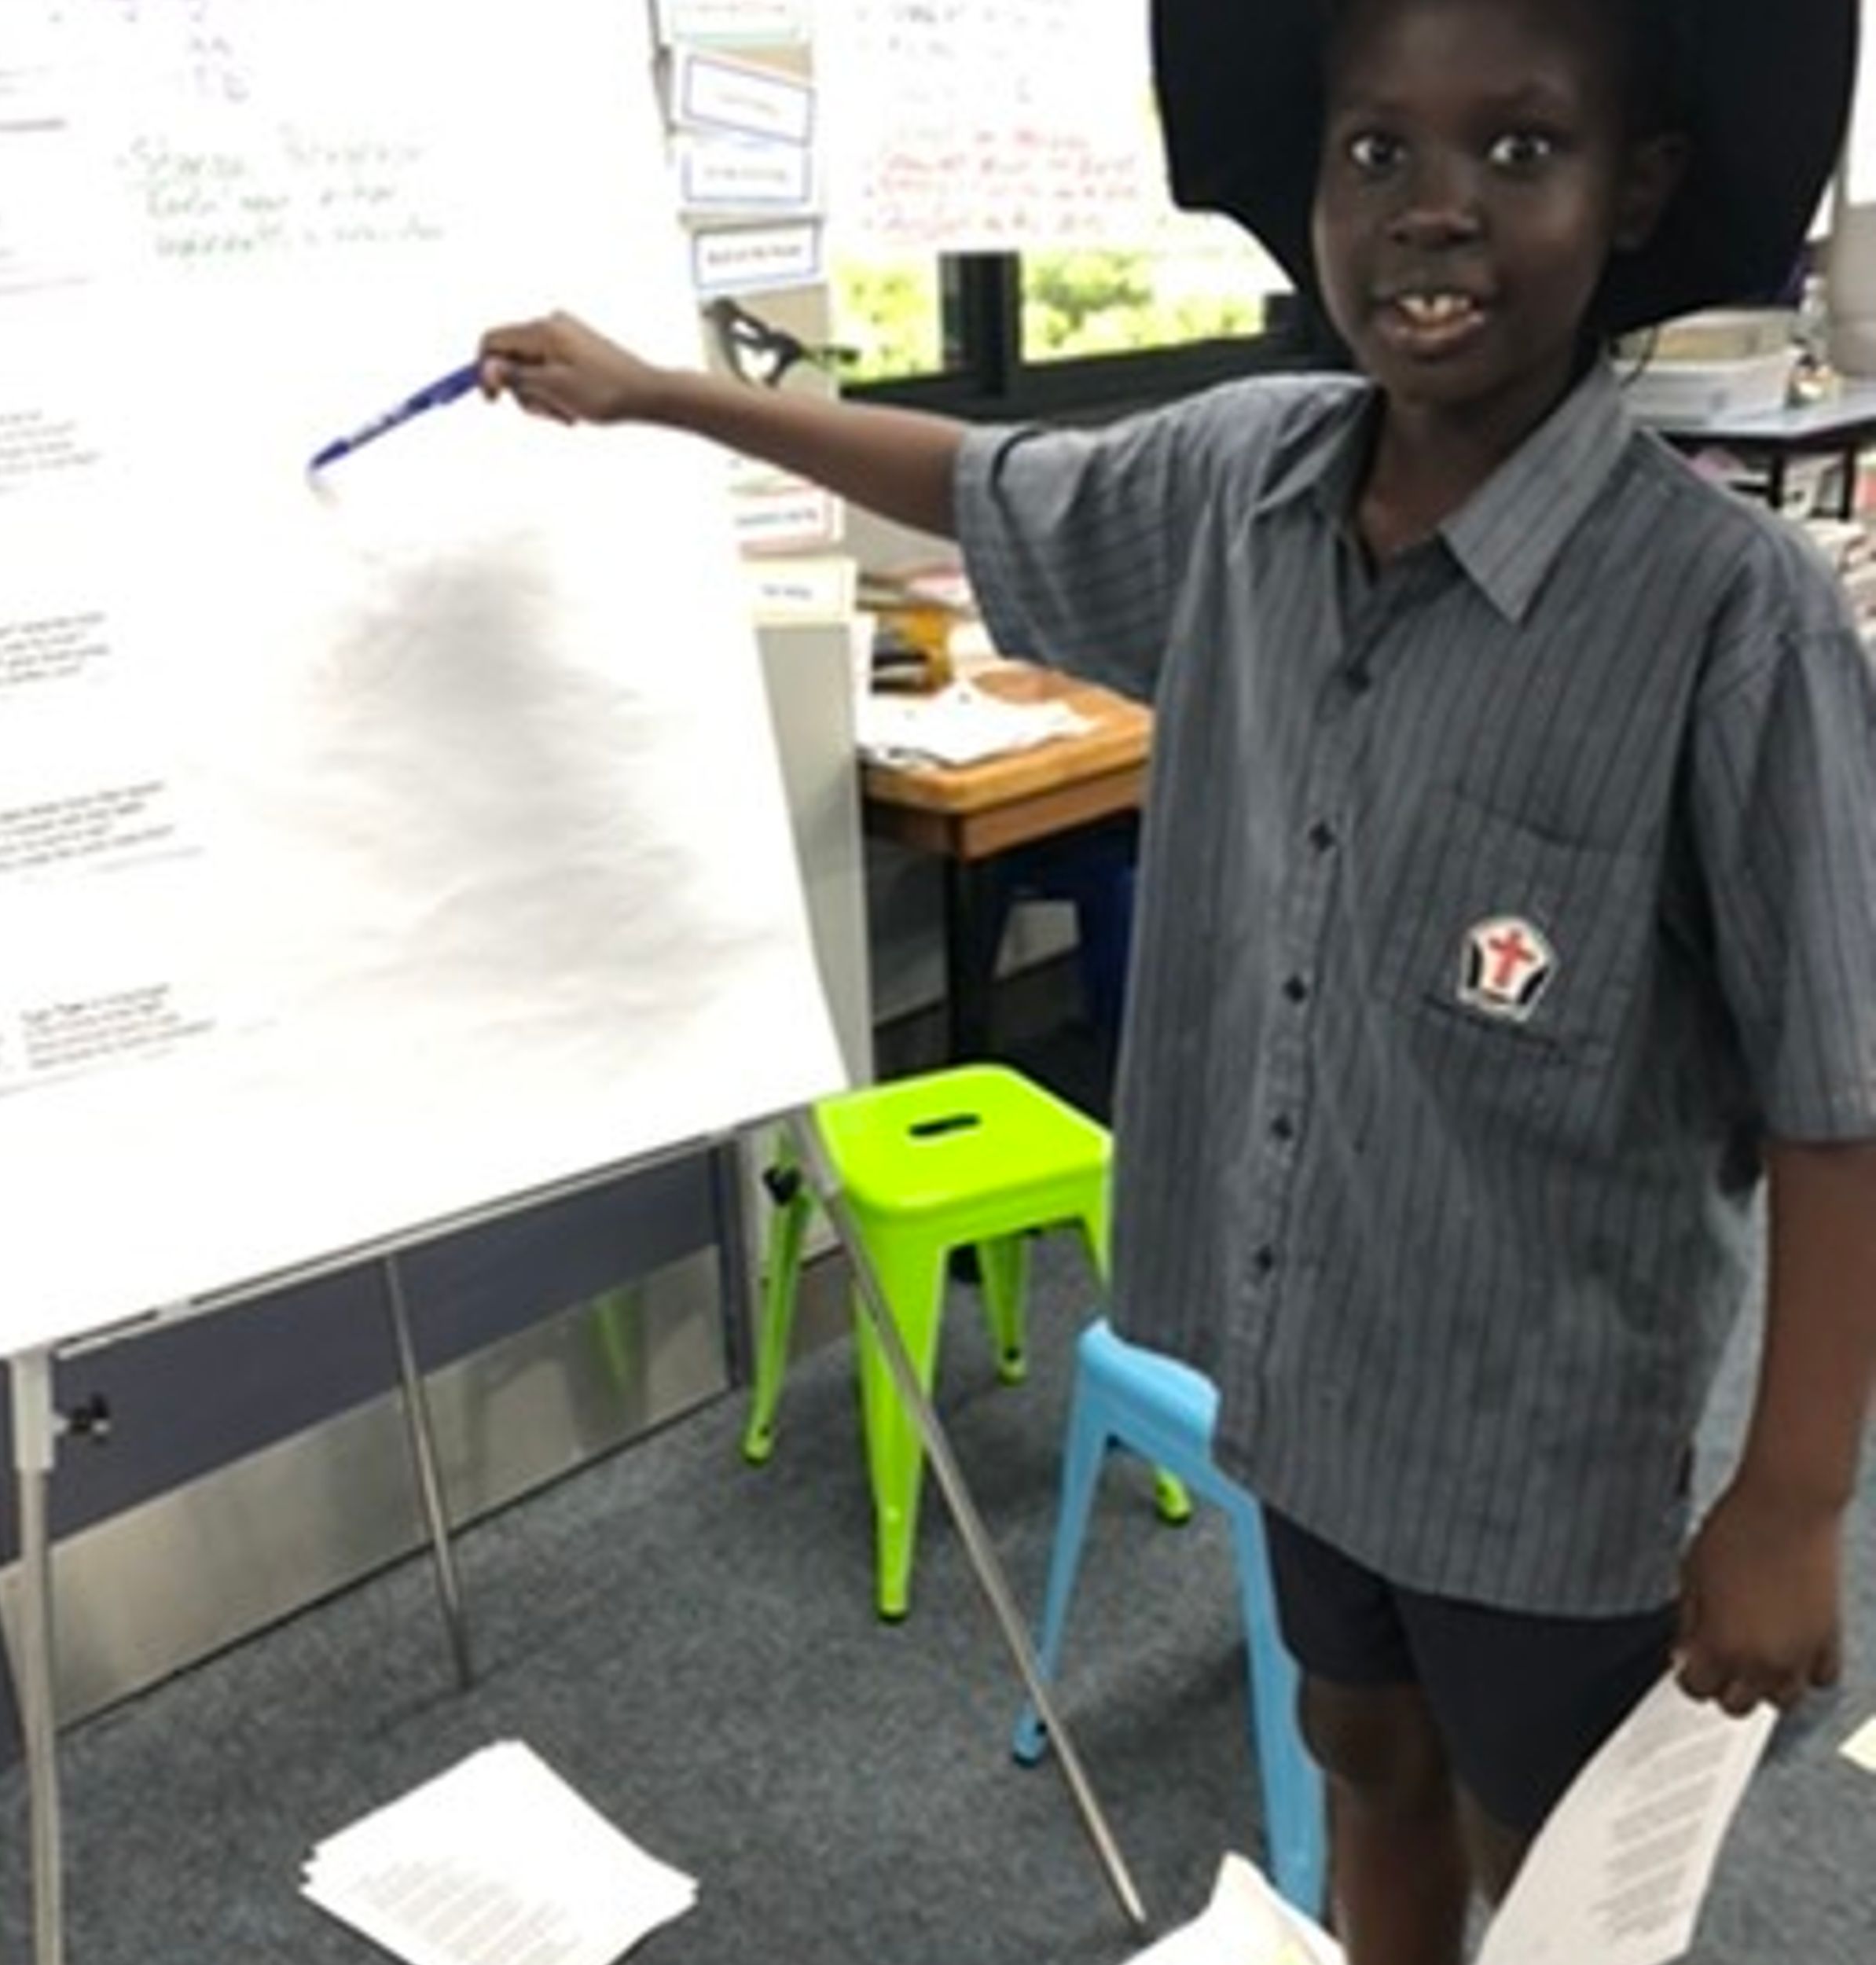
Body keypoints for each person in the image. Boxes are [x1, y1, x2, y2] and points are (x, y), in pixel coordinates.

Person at [476, 1, 1876, 1957]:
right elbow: (975, 475)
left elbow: (1836, 1090)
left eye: (1518, 149)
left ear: (1633, 187)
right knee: (1356, 1749)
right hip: (1296, 1374)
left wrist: (1789, 1495)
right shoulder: (1238, 482)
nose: (1431, 208)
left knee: (1550, 1859)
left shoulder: (1728, 621)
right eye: (1374, 152)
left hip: (1533, 1431)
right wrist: (661, 397)